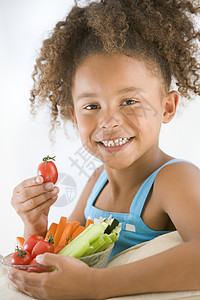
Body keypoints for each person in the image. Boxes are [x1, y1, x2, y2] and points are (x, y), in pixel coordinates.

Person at [9, 0, 200, 299]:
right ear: (74, 116)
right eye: (92, 106)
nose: (109, 121)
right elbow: (61, 263)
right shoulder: (96, 183)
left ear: (167, 106)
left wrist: (94, 286)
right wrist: (34, 225)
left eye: (129, 101)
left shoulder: (174, 179)